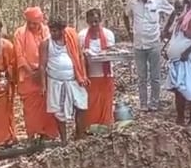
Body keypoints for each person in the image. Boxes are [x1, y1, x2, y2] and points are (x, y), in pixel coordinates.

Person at [124, 0, 174, 111]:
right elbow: (125, 14)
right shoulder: (133, 1)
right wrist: (129, 32)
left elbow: (172, 11)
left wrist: (166, 29)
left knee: (155, 76)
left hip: (154, 43)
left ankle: (154, 102)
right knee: (141, 77)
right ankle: (143, 103)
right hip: (138, 44)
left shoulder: (158, 0)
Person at [40, 17, 89, 145]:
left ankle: (80, 135)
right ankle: (64, 140)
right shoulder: (46, 43)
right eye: (51, 31)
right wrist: (43, 85)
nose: (53, 33)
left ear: (63, 30)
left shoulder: (71, 39)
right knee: (58, 111)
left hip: (74, 79)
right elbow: (42, 65)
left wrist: (83, 75)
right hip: (56, 82)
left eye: (56, 31)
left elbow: (80, 56)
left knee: (82, 105)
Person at [13, 7, 59, 141]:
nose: (32, 25)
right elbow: (19, 55)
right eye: (29, 22)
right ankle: (32, 135)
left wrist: (42, 71)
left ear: (40, 21)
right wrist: (32, 72)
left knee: (48, 104)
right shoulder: (19, 33)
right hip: (29, 76)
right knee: (30, 108)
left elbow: (53, 51)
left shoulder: (48, 31)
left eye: (35, 23)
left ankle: (48, 134)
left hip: (47, 73)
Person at [165, 4, 191, 125]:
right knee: (179, 90)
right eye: (176, 8)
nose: (178, 11)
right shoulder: (179, 21)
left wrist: (187, 52)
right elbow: (166, 34)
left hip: (190, 59)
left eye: (180, 8)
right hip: (177, 61)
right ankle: (180, 118)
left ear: (187, 7)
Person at [78, 8, 116, 127]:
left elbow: (111, 52)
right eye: (91, 22)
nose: (94, 25)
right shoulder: (82, 35)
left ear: (100, 20)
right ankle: (91, 127)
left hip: (106, 73)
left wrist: (103, 54)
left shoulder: (108, 34)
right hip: (90, 74)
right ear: (87, 22)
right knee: (91, 103)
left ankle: (105, 126)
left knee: (105, 102)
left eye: (96, 21)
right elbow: (79, 54)